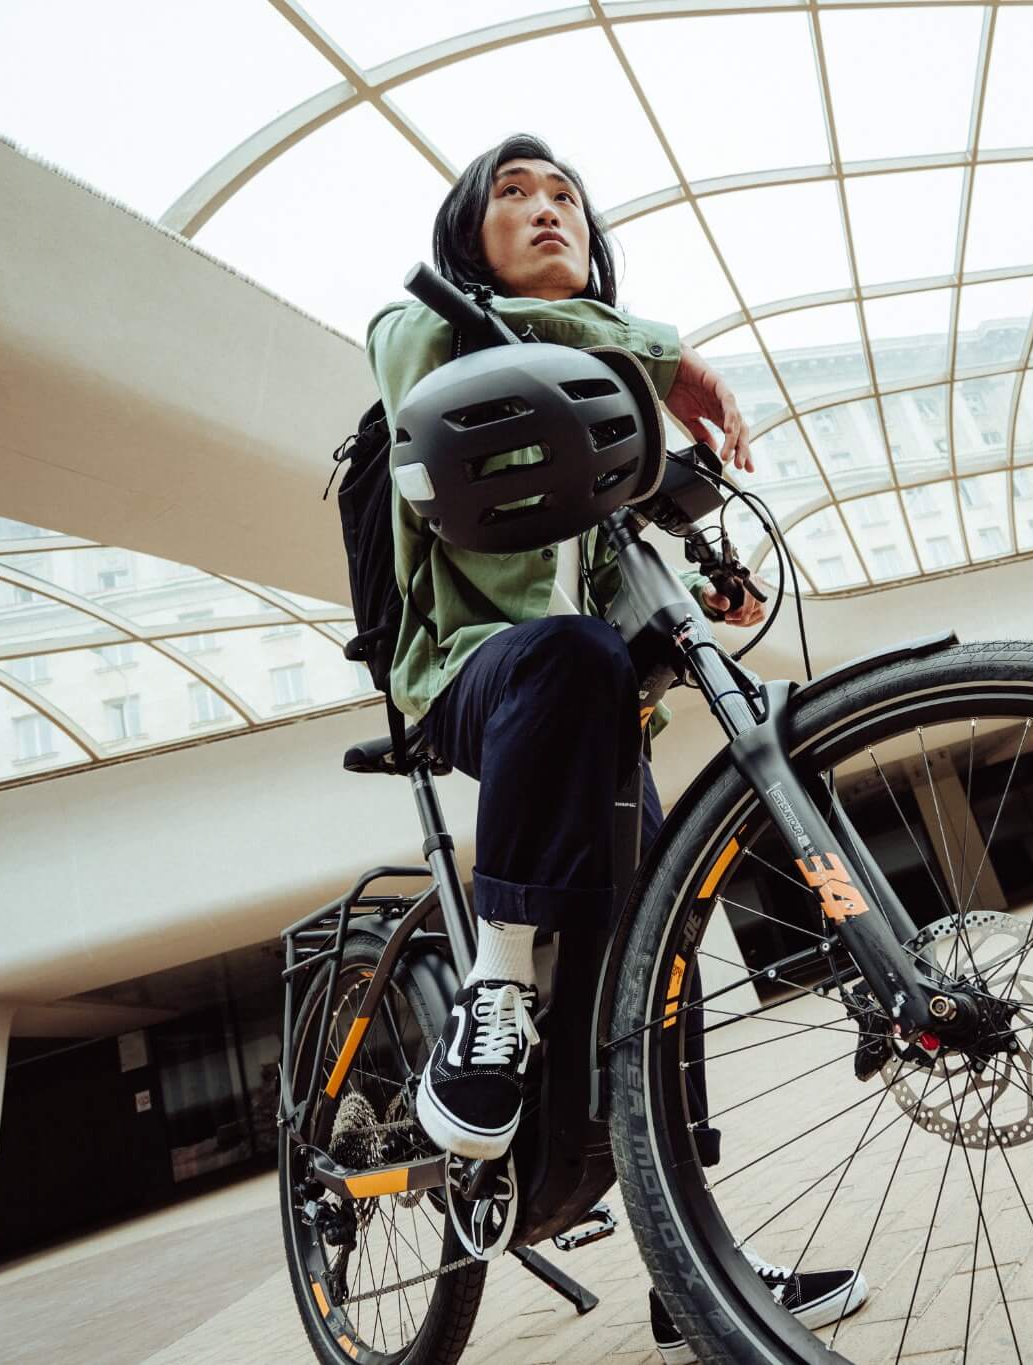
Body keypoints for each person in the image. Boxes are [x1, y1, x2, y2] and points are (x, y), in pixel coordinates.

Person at [365, 133, 869, 1357]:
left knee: (663, 959)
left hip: (587, 709)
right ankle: (496, 989)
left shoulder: (600, 402)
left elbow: (627, 573)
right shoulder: (425, 329)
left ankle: (688, 1260)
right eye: (514, 196)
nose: (547, 212)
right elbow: (460, 370)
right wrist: (666, 356)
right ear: (465, 232)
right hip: (472, 677)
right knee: (564, 656)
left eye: (566, 200)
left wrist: (715, 585)